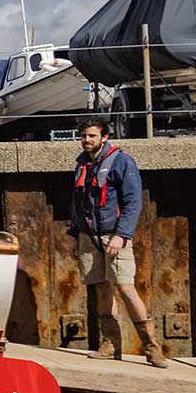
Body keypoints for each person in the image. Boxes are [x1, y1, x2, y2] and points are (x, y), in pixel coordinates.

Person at [70, 116, 168, 368]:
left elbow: (133, 202)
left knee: (125, 287)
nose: (86, 140)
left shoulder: (122, 162)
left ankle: (151, 347)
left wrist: (122, 235)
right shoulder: (82, 163)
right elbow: (78, 203)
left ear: (104, 137)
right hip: (88, 237)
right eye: (83, 136)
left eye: (92, 136)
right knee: (101, 288)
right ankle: (110, 345)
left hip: (113, 235)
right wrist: (75, 233)